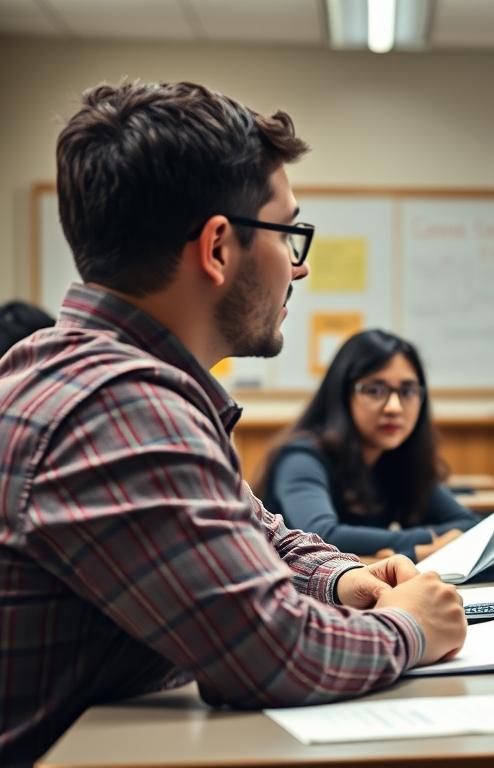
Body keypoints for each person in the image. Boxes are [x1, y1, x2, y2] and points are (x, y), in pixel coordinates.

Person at [0, 81, 465, 766]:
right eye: (289, 234)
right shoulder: (118, 404)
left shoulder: (93, 373)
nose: (299, 267)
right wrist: (410, 629)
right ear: (218, 247)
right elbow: (274, 652)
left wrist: (340, 580)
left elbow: (254, 531)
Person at [259, 329, 478, 562]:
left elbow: (470, 525)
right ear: (343, 395)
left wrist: (409, 549)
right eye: (375, 390)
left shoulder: (397, 458)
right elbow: (320, 536)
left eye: (407, 391)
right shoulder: (301, 458)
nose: (394, 407)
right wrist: (424, 542)